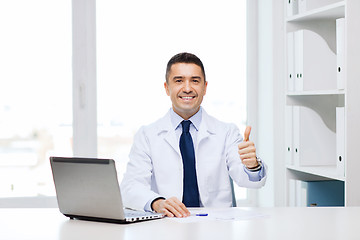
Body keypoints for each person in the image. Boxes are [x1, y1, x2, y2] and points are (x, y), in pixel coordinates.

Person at [120, 52, 267, 218]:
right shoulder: (147, 135)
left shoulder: (227, 133)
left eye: (195, 81)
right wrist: (158, 203)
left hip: (216, 227)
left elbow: (249, 181)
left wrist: (252, 165)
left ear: (205, 87)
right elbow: (130, 187)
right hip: (167, 225)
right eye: (179, 80)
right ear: (167, 88)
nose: (188, 88)